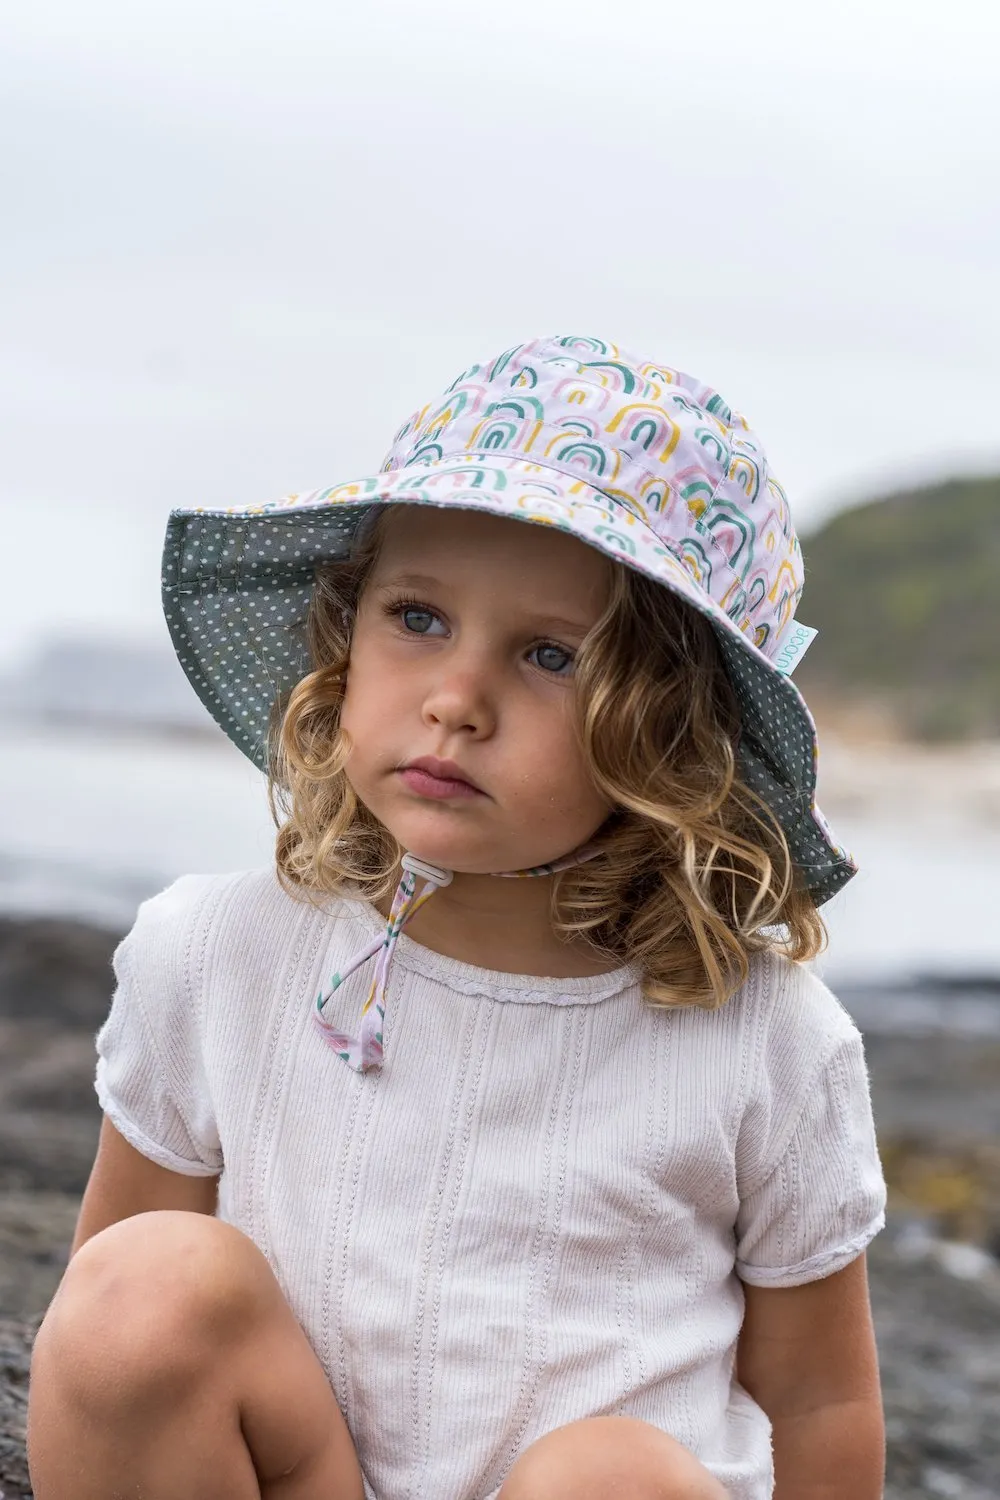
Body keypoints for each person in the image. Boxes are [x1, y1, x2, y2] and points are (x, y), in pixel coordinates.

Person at [27, 335, 887, 1500]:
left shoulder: (763, 1039)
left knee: (607, 1476)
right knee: (144, 1287)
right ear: (344, 637)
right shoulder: (219, 954)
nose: (455, 700)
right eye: (417, 617)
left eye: (548, 654)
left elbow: (819, 1400)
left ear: (668, 732)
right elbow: (109, 1318)